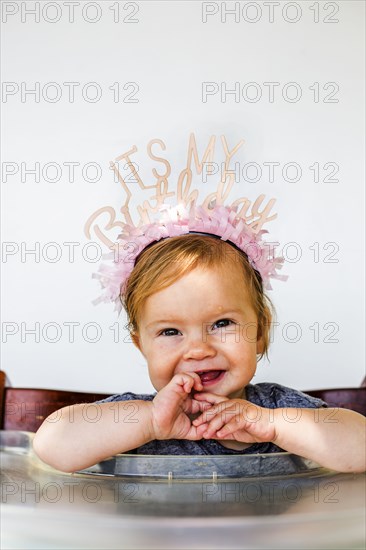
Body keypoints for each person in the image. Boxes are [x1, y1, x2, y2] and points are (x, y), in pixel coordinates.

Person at [33, 204, 366, 473]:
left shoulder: (276, 409)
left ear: (260, 333)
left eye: (221, 323)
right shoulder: (135, 417)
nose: (198, 350)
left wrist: (273, 426)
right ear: (142, 346)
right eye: (170, 331)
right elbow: (51, 445)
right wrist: (149, 422)